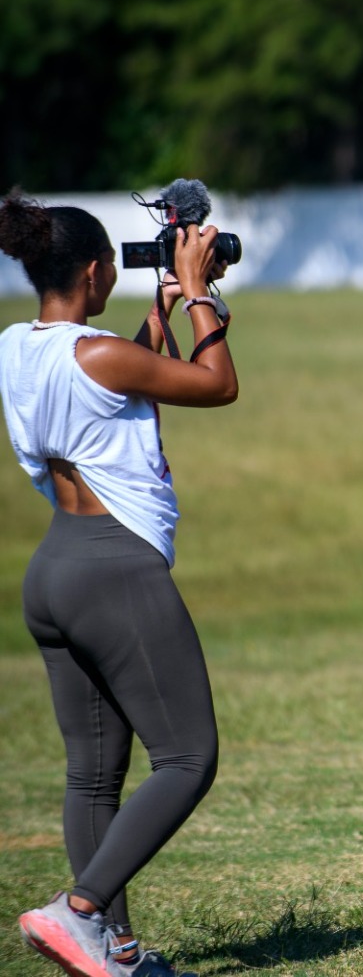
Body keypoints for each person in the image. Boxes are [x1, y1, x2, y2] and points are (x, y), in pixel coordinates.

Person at [3, 189, 236, 977]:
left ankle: (118, 952)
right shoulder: (97, 352)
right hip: (115, 570)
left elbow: (112, 392)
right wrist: (200, 294)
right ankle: (78, 910)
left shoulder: (16, 346)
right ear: (99, 271)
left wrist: (163, 314)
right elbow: (214, 385)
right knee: (187, 759)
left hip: (57, 568)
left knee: (92, 775)